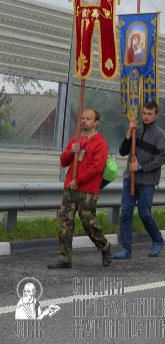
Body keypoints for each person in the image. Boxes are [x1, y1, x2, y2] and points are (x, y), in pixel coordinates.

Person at [48, 108, 113, 269]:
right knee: (65, 223)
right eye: (82, 118)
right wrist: (71, 151)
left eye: (88, 118)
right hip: (70, 188)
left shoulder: (101, 143)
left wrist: (79, 181)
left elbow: (97, 168)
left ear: (96, 122)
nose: (84, 121)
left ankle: (104, 246)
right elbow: (63, 161)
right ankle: (65, 258)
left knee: (88, 224)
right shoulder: (76, 139)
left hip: (88, 191)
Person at [114, 102, 165, 260]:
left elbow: (162, 158)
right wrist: (128, 133)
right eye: (144, 113)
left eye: (150, 114)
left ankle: (157, 240)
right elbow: (123, 151)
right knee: (125, 213)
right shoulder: (135, 130)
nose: (146, 116)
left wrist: (141, 167)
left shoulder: (160, 135)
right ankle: (126, 249)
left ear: (156, 115)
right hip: (129, 179)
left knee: (144, 213)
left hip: (147, 182)